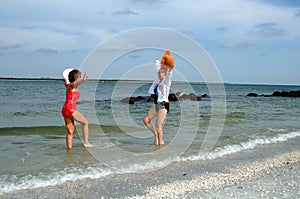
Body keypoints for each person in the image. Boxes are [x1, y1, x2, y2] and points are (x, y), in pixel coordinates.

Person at [143, 51, 174, 145]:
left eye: (160, 74)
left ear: (165, 75)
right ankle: (156, 135)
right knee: (146, 120)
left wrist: (170, 68)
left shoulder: (166, 82)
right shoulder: (157, 81)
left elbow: (169, 73)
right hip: (157, 105)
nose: (159, 76)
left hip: (164, 104)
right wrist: (157, 61)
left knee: (158, 126)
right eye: (158, 74)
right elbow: (158, 69)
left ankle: (160, 145)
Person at [62, 69, 93, 149]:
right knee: (85, 123)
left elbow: (66, 84)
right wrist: (83, 80)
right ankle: (86, 143)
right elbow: (76, 83)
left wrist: (65, 80)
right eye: (79, 76)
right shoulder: (73, 86)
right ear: (76, 78)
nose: (80, 78)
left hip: (65, 110)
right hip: (71, 109)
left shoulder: (69, 85)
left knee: (70, 131)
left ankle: (69, 149)